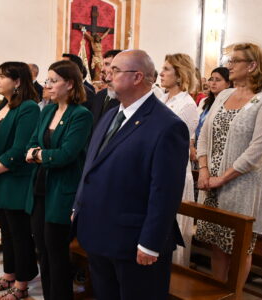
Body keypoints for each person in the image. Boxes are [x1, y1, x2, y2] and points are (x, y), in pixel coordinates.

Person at [73, 50, 188, 299]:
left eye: (114, 70)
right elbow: (91, 165)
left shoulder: (167, 126)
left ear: (137, 77)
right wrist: (78, 206)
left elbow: (165, 192)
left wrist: (150, 242)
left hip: (134, 241)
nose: (106, 75)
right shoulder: (111, 115)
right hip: (100, 233)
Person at [195, 43, 262, 284]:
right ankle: (218, 291)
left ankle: (234, 294)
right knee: (217, 244)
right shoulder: (223, 95)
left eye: (234, 61)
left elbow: (257, 150)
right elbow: (204, 135)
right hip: (211, 182)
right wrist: (203, 170)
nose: (228, 65)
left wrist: (222, 177)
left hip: (242, 184)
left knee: (240, 247)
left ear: (252, 65)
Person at [24, 60, 93, 300]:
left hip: (62, 192)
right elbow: (32, 142)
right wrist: (38, 153)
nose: (48, 86)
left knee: (57, 254)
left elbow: (66, 155)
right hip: (40, 188)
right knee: (42, 251)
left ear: (71, 84)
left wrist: (39, 155)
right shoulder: (48, 110)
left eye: (54, 81)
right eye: (47, 80)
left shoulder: (81, 115)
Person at [0, 62, 40, 299]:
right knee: (6, 231)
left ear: (18, 81)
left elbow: (19, 149)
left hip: (15, 180)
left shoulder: (29, 108)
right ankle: (9, 275)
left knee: (19, 233)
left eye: (2, 76)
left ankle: (22, 285)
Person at [158, 53, 199, 266]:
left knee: (174, 229)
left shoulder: (187, 104)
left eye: (166, 69)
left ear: (180, 74)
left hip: (174, 173)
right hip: (157, 170)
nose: (161, 73)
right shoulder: (163, 98)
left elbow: (171, 141)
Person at [193, 67, 232, 163]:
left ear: (228, 84)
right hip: (198, 148)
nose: (213, 83)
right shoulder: (204, 102)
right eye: (211, 79)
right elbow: (195, 123)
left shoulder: (230, 104)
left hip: (216, 153)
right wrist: (191, 145)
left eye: (218, 80)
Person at [85, 49, 122, 128]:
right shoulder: (100, 95)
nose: (102, 69)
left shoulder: (124, 98)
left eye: (107, 64)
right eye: (103, 65)